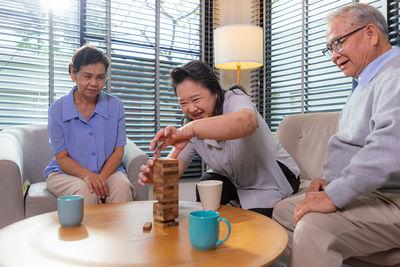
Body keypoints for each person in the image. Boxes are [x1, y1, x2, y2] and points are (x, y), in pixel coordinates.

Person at [272, 3, 400, 267]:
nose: (334, 56)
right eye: (330, 48)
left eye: (338, 43)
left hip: (393, 197)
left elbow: (389, 148)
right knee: (283, 211)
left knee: (313, 228)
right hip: (372, 193)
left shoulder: (395, 76)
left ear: (371, 34)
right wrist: (328, 182)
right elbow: (355, 146)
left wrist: (333, 196)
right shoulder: (364, 84)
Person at [138, 60, 300, 217]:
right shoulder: (191, 125)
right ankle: (207, 230)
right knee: (207, 184)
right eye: (183, 103)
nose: (191, 108)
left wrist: (191, 129)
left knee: (252, 224)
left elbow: (247, 122)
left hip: (274, 175)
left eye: (195, 99)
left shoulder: (234, 98)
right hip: (238, 178)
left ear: (215, 92)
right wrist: (158, 177)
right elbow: (176, 166)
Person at [44, 45, 135, 205]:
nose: (94, 83)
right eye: (87, 76)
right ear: (73, 73)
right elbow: (62, 157)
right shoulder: (56, 109)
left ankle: (119, 230)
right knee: (86, 191)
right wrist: (88, 176)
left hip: (108, 171)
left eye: (100, 77)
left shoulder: (116, 106)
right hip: (65, 174)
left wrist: (100, 178)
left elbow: (118, 150)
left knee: (122, 187)